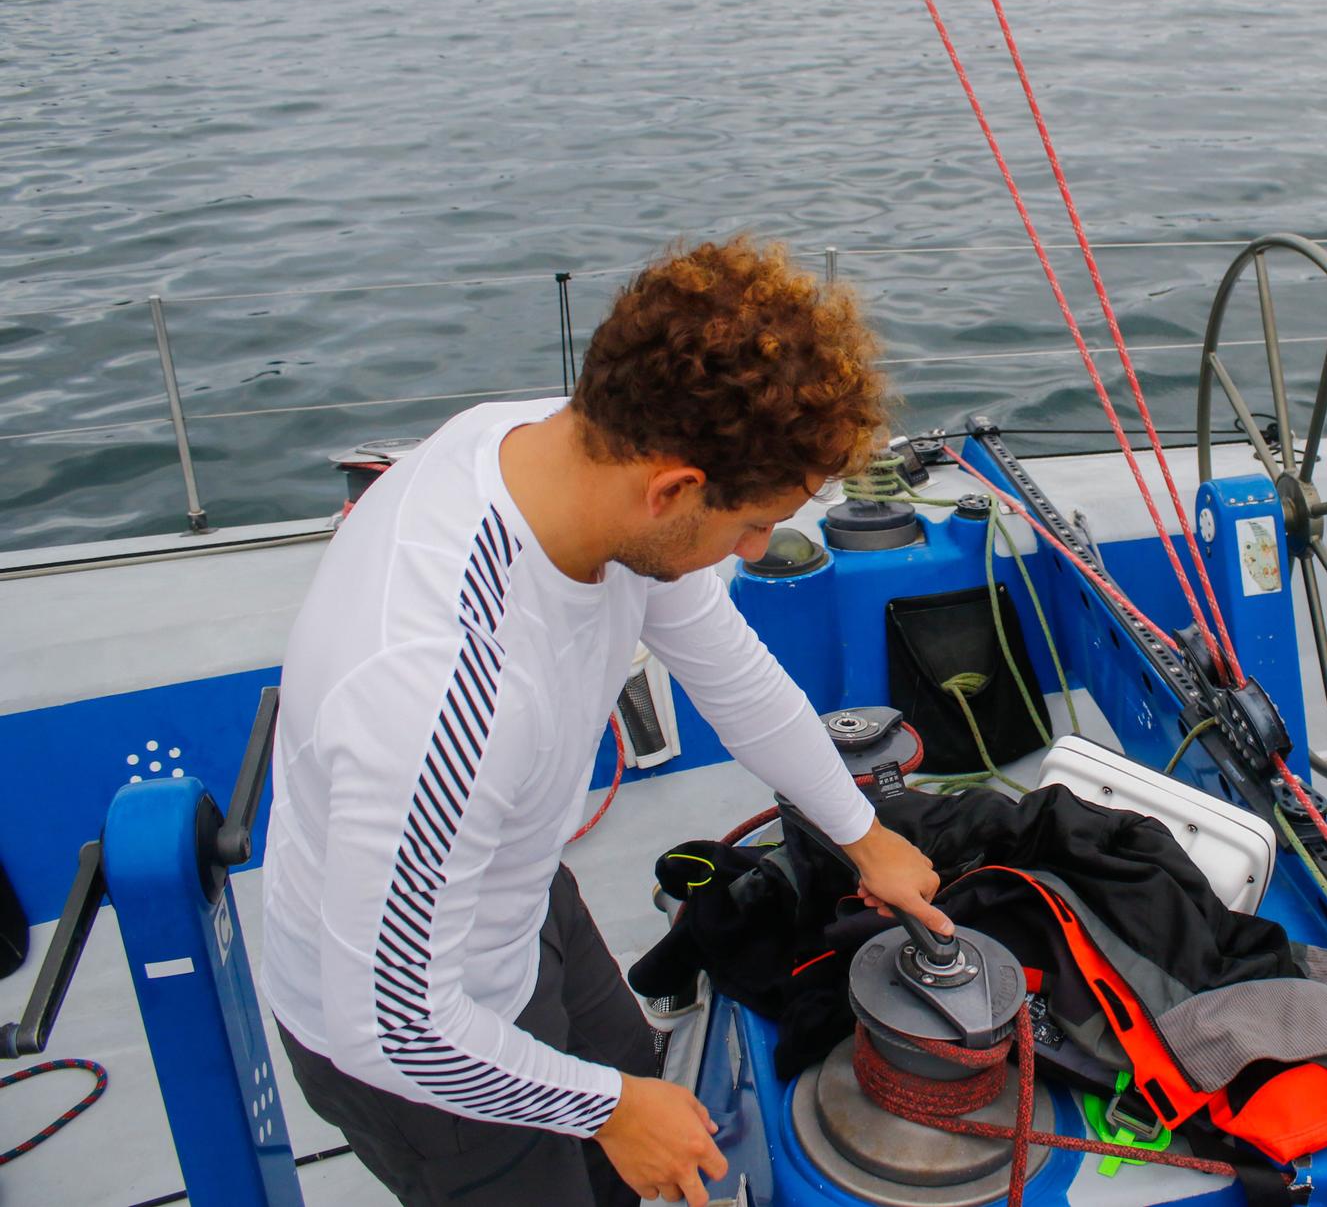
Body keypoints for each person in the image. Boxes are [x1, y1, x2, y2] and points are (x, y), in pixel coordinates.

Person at [260, 236, 952, 1207]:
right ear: (671, 489)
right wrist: (603, 1107)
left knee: (646, 1097)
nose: (756, 551)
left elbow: (733, 672)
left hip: (522, 904)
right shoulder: (442, 690)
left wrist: (862, 832)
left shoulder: (566, 453)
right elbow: (394, 1024)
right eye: (751, 523)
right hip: (409, 1046)